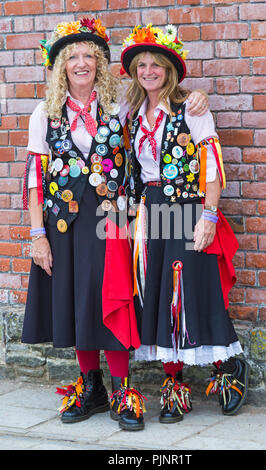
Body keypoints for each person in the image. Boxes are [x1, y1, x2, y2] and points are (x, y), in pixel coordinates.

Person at [22, 18, 209, 432]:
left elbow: (160, 97)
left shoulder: (118, 106)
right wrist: (37, 235)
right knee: (74, 300)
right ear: (60, 66)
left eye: (90, 55)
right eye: (73, 57)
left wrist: (195, 97)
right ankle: (91, 387)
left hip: (111, 219)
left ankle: (124, 389)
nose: (82, 63)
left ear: (102, 63)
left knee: (113, 298)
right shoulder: (44, 112)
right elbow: (35, 178)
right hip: (63, 223)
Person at [120, 24, 249, 423]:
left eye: (155, 64)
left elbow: (211, 163)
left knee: (194, 288)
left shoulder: (190, 107)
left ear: (169, 69)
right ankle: (174, 383)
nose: (148, 71)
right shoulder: (131, 113)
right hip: (149, 212)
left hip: (188, 209)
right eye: (141, 65)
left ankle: (226, 370)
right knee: (156, 293)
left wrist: (209, 214)